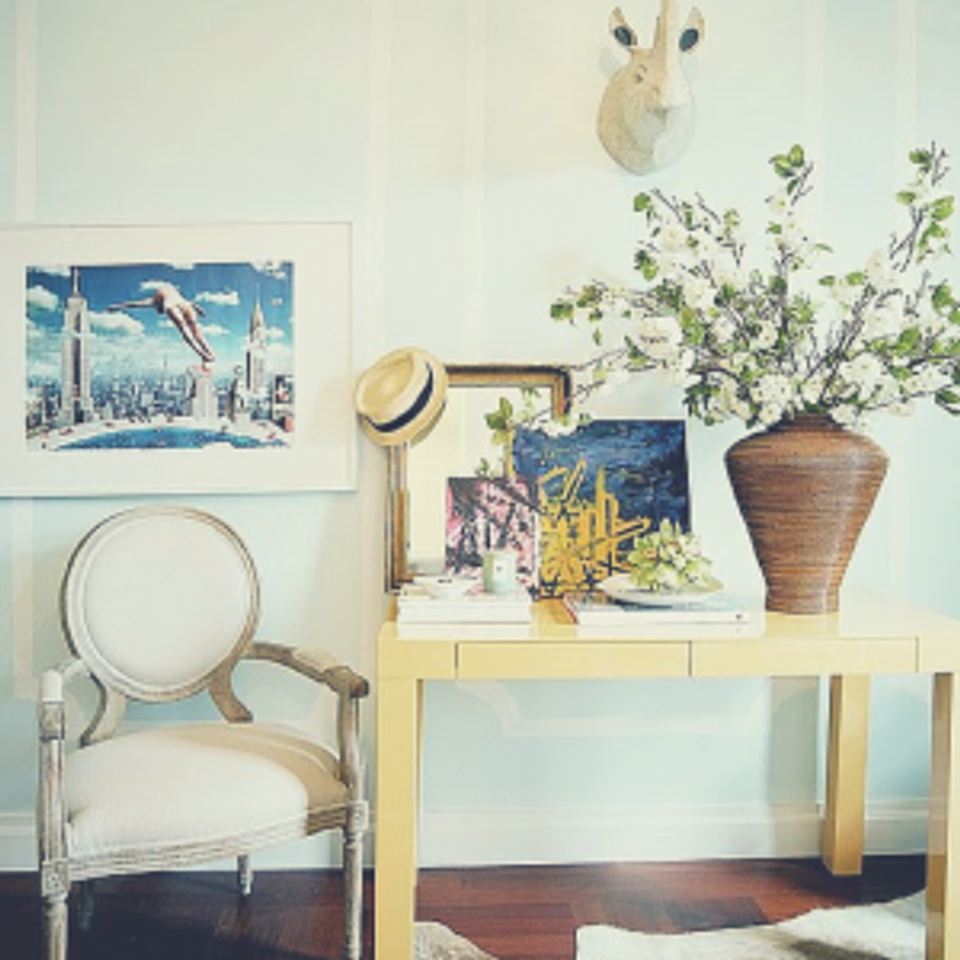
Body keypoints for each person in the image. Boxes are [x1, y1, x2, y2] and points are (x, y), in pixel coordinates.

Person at [109, 282, 215, 364]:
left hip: (173, 304)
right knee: (197, 333)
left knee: (183, 329)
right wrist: (198, 309)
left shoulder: (154, 301)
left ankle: (202, 354)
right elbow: (189, 303)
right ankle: (210, 352)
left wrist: (118, 306)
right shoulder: (172, 293)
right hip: (185, 304)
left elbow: (134, 304)